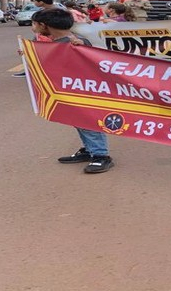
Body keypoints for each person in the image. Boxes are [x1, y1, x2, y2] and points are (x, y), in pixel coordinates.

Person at [29, 9, 114, 174]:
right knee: (79, 122)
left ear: (43, 25)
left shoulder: (75, 42)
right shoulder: (58, 43)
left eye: (35, 24)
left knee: (88, 122)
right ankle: (90, 150)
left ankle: (101, 155)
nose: (34, 28)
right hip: (68, 92)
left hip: (83, 92)